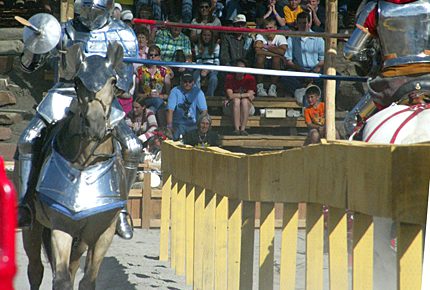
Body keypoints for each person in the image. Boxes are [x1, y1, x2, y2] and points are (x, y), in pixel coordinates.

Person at [17, 0, 141, 240]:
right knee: (27, 139)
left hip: (102, 100)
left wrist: (109, 87)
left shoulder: (123, 34)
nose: (89, 13)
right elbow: (30, 66)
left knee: (133, 147)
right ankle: (25, 205)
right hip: (64, 93)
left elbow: (126, 80)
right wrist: (35, 44)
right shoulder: (63, 30)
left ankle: (121, 208)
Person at [343, 0, 430, 136]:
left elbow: (350, 52)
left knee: (352, 122)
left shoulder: (375, 8)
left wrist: (370, 61)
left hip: (392, 83)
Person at [281, 11, 324, 103]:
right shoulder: (292, 38)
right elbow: (288, 60)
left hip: (315, 70)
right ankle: (302, 91)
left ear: (309, 23)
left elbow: (323, 59)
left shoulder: (318, 39)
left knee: (335, 76)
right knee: (285, 77)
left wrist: (316, 69)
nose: (303, 25)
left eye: (304, 23)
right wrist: (300, 69)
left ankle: (322, 97)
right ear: (297, 24)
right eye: (300, 23)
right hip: (299, 70)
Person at [166, 72, 208, 140]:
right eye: (185, 81)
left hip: (194, 125)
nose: (187, 83)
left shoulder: (198, 92)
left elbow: (204, 111)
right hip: (178, 124)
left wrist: (201, 125)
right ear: (181, 81)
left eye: (190, 81)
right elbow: (169, 110)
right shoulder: (175, 91)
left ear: (193, 82)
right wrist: (170, 127)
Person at [135, 44, 173, 116]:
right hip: (144, 99)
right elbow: (136, 93)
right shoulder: (140, 70)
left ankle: (151, 119)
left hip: (160, 99)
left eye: (155, 55)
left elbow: (168, 94)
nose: (153, 57)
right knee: (158, 103)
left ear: (159, 57)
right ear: (147, 56)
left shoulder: (164, 71)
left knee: (154, 106)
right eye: (151, 55)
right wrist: (147, 95)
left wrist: (159, 96)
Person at [254, 18, 287, 97]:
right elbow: (257, 51)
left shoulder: (280, 36)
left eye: (270, 28)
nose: (268, 30)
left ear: (275, 28)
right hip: (263, 62)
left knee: (276, 59)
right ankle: (260, 86)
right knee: (260, 57)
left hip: (277, 63)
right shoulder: (260, 35)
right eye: (266, 28)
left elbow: (282, 51)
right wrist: (276, 52)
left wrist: (265, 46)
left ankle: (273, 87)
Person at [223, 58, 256, 135]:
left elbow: (250, 95)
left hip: (247, 107)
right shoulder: (230, 78)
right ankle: (236, 129)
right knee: (236, 101)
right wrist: (245, 95)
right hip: (231, 106)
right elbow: (230, 96)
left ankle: (243, 129)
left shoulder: (250, 78)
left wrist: (240, 95)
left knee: (244, 101)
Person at [193, 29, 220, 97]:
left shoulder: (216, 46)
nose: (206, 37)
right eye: (204, 35)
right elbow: (198, 60)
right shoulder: (197, 46)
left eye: (208, 35)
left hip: (213, 66)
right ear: (201, 36)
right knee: (195, 75)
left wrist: (208, 70)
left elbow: (216, 62)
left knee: (214, 78)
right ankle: (197, 95)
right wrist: (202, 68)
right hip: (201, 65)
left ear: (211, 36)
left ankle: (210, 96)